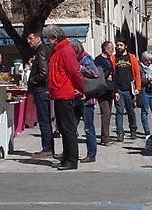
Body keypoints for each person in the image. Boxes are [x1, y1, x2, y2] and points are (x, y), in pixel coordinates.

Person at [45, 25, 85, 171]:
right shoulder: (58, 50)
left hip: (65, 93)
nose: (47, 41)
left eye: (48, 38)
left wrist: (81, 89)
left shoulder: (66, 50)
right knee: (63, 127)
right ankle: (67, 157)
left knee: (68, 128)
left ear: (55, 38)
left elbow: (74, 72)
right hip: (58, 93)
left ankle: (71, 160)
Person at [26, 32, 54, 157]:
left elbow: (44, 73)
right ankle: (49, 147)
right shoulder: (45, 49)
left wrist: (32, 80)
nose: (29, 41)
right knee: (45, 119)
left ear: (38, 39)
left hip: (42, 90)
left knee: (44, 120)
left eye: (31, 38)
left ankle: (47, 148)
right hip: (44, 89)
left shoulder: (42, 51)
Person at [73, 41, 100, 163]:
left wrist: (81, 69)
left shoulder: (85, 59)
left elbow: (95, 73)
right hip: (77, 97)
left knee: (88, 128)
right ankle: (70, 152)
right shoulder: (76, 59)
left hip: (87, 99)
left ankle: (91, 154)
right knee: (71, 127)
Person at [111, 40, 142, 141]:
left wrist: (138, 88)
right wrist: (114, 91)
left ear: (125, 46)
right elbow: (113, 75)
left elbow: (137, 73)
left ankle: (133, 129)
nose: (118, 47)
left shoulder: (131, 57)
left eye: (121, 45)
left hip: (130, 89)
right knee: (119, 111)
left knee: (131, 111)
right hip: (119, 89)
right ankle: (120, 132)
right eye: (117, 45)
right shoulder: (114, 58)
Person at [94, 41, 117, 146]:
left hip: (110, 90)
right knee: (106, 114)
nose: (113, 51)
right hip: (102, 91)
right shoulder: (99, 60)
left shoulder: (109, 59)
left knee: (108, 114)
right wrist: (107, 74)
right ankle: (104, 138)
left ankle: (106, 136)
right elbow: (97, 73)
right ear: (105, 49)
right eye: (111, 49)